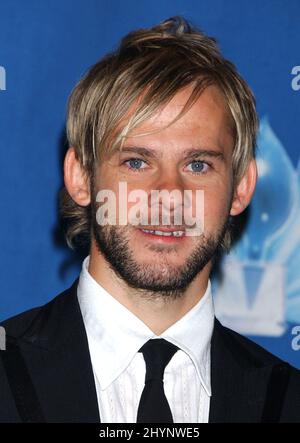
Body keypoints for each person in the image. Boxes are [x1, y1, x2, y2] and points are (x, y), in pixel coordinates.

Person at [0, 16, 299, 424]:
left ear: (242, 187)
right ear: (81, 178)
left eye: (197, 164)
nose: (169, 194)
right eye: (137, 161)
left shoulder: (287, 402)